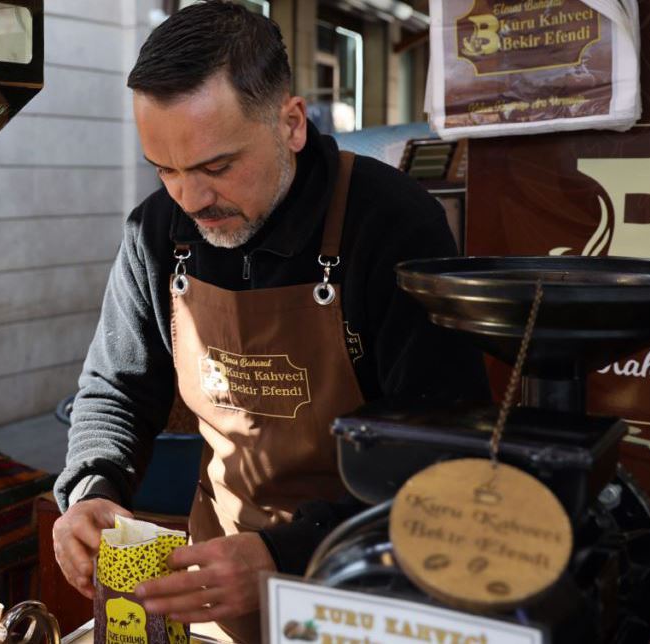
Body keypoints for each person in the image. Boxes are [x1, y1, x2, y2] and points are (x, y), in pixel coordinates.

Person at [51, 2, 489, 640]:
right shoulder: (156, 233)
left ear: (291, 123)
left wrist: (291, 554)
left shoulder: (393, 224)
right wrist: (92, 485)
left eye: (217, 167)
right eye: (165, 170)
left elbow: (444, 457)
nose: (191, 200)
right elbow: (117, 388)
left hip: (364, 587)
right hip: (214, 590)